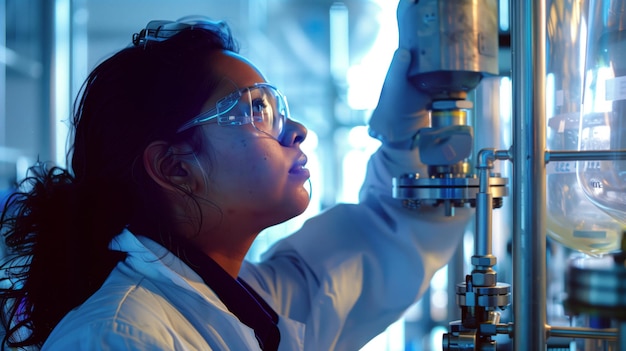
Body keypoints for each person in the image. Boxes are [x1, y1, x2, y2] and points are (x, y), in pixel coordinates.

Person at [0, 1, 471, 350]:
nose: (298, 131)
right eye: (258, 110)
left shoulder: (249, 303)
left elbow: (378, 245)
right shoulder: (117, 337)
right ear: (176, 168)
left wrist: (404, 138)